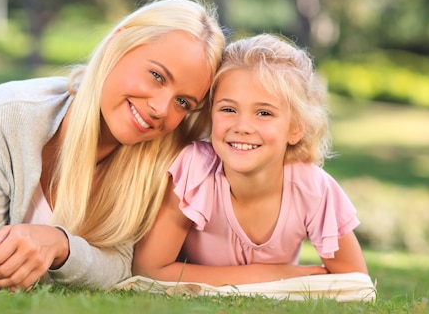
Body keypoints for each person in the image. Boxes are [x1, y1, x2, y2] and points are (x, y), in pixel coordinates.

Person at [0, 0, 226, 291]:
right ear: (116, 45)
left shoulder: (169, 159)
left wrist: (60, 246)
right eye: (157, 76)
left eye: (183, 102)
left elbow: (122, 265)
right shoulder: (7, 114)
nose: (161, 108)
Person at [133, 33, 368, 286]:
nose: (242, 126)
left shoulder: (313, 189)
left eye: (264, 113)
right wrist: (268, 275)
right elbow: (150, 270)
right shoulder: (196, 171)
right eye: (228, 109)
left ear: (296, 128)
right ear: (211, 114)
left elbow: (355, 281)